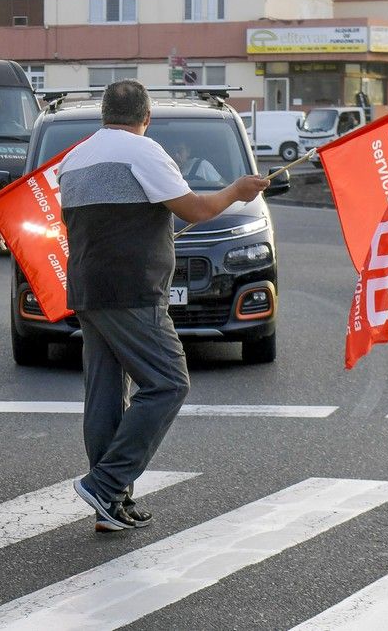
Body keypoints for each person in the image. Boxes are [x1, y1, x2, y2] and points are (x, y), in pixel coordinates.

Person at [59, 80, 269, 532]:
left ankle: (110, 501)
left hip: (87, 289)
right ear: (146, 117)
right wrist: (236, 190)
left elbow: (112, 224)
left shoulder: (74, 159)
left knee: (104, 395)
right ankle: (107, 483)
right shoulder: (144, 151)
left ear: (103, 115)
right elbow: (194, 209)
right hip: (133, 289)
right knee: (169, 382)